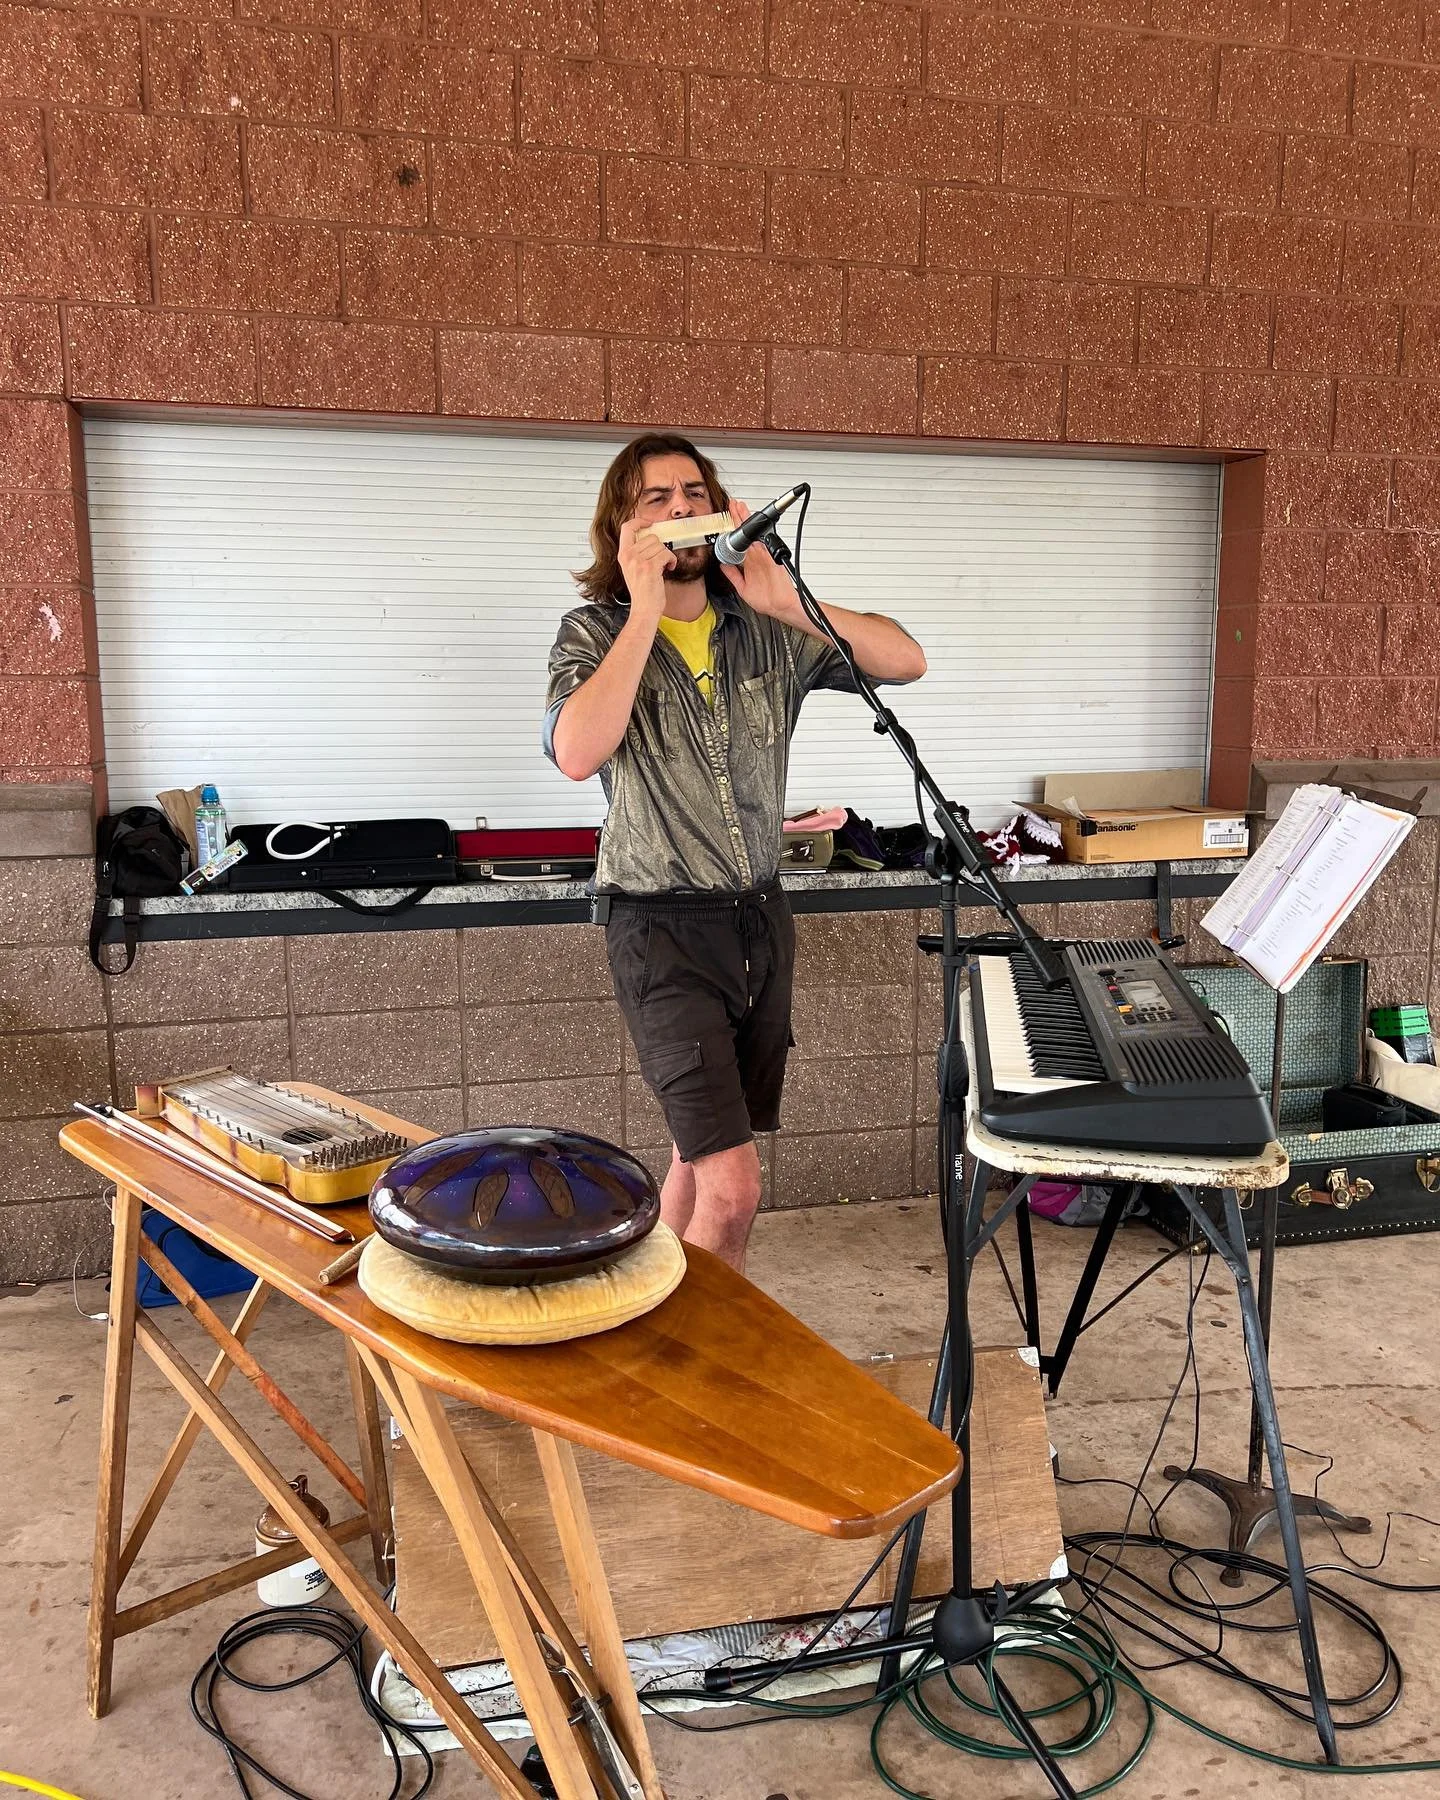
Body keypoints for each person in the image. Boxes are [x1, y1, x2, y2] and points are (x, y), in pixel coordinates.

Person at [543, 434, 926, 1272]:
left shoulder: (764, 630)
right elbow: (576, 752)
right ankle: (695, 1380)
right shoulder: (593, 632)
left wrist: (788, 602)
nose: (681, 507)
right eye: (657, 499)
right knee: (735, 1188)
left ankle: (660, 1320)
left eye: (695, 491)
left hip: (758, 920)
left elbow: (905, 659)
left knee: (696, 1150)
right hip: (658, 930)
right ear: (623, 527)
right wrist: (643, 611)